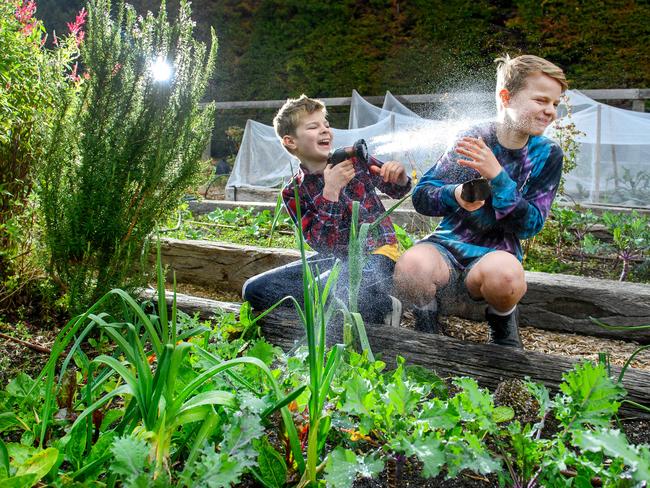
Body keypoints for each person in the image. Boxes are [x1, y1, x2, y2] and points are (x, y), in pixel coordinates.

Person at [394, 54, 568, 347]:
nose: (551, 110)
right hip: (446, 248)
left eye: (555, 103)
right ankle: (427, 327)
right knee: (410, 268)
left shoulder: (547, 155)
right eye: (541, 100)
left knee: (507, 278)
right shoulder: (474, 138)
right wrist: (455, 194)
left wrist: (498, 177)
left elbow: (529, 225)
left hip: (496, 254)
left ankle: (502, 328)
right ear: (506, 97)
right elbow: (423, 195)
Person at [242, 95, 411, 325]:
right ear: (290, 142)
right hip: (336, 258)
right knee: (254, 290)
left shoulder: (353, 159)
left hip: (377, 252)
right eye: (313, 126)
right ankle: (364, 304)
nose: (325, 131)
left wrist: (399, 177)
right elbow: (321, 243)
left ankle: (382, 305)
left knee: (329, 291)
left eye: (326, 125)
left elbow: (397, 189)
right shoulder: (293, 192)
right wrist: (330, 192)